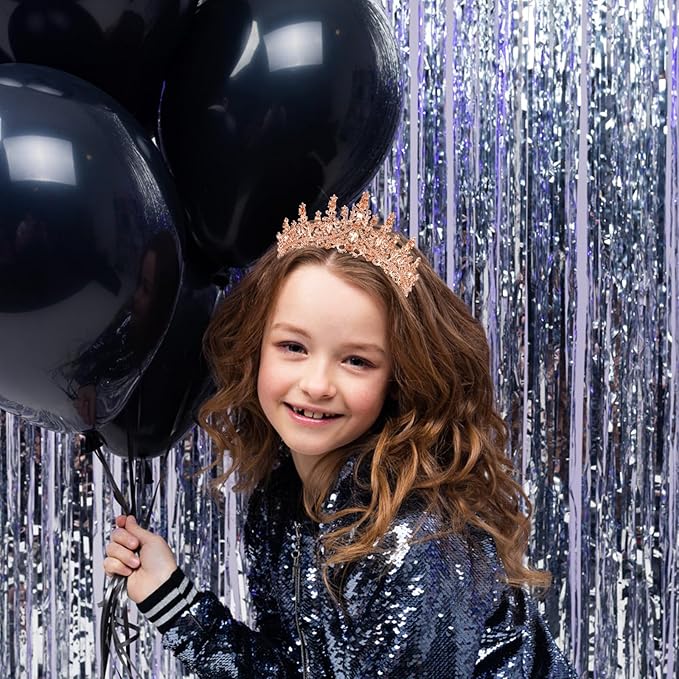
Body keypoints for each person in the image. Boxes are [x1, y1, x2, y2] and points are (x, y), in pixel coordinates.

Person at [103, 193, 575, 677]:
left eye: (356, 360)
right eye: (293, 347)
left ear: (399, 377)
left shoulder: (414, 539)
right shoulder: (281, 502)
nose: (317, 385)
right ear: (254, 350)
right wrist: (172, 599)